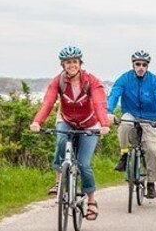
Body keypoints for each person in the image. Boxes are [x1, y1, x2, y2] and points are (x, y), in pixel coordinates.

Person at [30, 46, 110, 220]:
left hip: (90, 123)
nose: (72, 65)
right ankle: (59, 182)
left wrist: (104, 124)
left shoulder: (91, 81)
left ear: (80, 63)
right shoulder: (57, 81)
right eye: (68, 62)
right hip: (66, 120)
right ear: (62, 64)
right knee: (60, 140)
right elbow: (48, 103)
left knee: (83, 164)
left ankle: (91, 201)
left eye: (75, 62)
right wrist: (37, 121)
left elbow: (99, 104)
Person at [107, 50, 156, 199]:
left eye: (144, 65)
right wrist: (108, 111)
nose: (141, 67)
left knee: (152, 149)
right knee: (124, 125)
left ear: (147, 66)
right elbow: (114, 94)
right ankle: (124, 154)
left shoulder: (154, 81)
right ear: (133, 65)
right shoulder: (125, 78)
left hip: (150, 117)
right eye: (138, 64)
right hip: (131, 114)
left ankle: (151, 183)